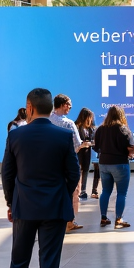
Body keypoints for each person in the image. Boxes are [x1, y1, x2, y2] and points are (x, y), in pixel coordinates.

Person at [0, 88, 79, 268]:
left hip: (24, 207)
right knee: (49, 264)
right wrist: (62, 194)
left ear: (29, 107)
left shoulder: (16, 136)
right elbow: (74, 174)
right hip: (54, 208)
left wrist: (12, 202)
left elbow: (7, 174)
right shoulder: (63, 136)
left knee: (19, 262)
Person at [93, 106, 134, 228]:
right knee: (121, 193)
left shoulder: (100, 129)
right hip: (120, 163)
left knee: (105, 191)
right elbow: (130, 146)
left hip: (104, 163)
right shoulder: (123, 129)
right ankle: (118, 219)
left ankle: (103, 217)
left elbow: (96, 147)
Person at [49, 94, 84, 232]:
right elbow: (76, 145)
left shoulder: (47, 120)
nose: (70, 107)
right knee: (71, 192)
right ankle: (69, 221)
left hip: (49, 163)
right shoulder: (68, 123)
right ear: (63, 104)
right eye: (69, 104)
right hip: (65, 163)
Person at [75, 108, 98, 199]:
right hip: (78, 152)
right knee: (78, 171)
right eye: (89, 118)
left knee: (85, 171)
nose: (90, 120)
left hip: (87, 153)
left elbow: (95, 141)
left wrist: (90, 143)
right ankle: (77, 190)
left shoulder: (91, 129)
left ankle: (83, 190)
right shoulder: (76, 126)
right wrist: (82, 144)